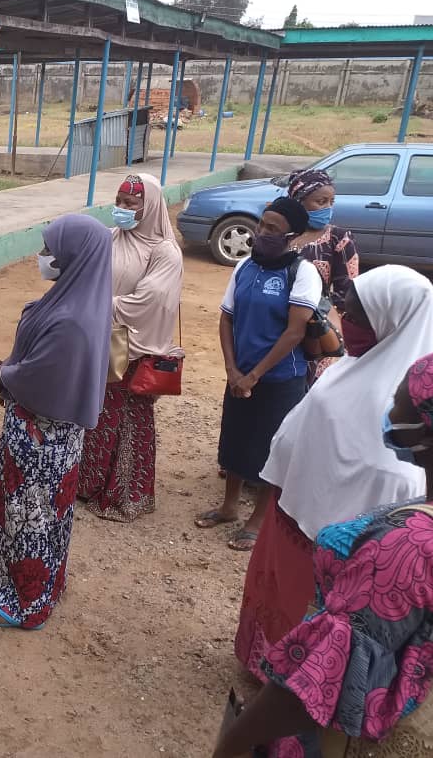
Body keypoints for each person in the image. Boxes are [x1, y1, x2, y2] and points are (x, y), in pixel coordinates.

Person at [212, 353, 433, 758]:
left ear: (426, 429)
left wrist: (235, 740)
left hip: (352, 734)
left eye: (400, 400)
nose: (389, 409)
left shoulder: (409, 546)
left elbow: (327, 674)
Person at [235, 265, 433, 680]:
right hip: (291, 517)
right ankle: (264, 667)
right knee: (277, 604)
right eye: (346, 310)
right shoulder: (349, 368)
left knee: (319, 641)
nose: (346, 324)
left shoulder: (410, 405)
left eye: (359, 317)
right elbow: (295, 434)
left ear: (393, 322)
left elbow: (399, 482)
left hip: (344, 553)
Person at [0, 214, 112, 630]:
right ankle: (36, 583)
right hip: (40, 436)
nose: (42, 256)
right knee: (35, 512)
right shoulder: (72, 301)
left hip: (43, 440)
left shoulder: (72, 322)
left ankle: (26, 604)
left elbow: (39, 380)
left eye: (50, 250)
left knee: (31, 515)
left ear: (73, 257)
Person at [196, 197, 321, 551]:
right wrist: (233, 369)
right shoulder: (245, 267)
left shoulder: (302, 273)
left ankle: (259, 518)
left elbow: (295, 332)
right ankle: (229, 506)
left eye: (272, 228)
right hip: (239, 373)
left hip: (281, 378)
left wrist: (254, 375)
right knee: (234, 438)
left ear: (292, 236)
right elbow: (226, 317)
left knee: (270, 447)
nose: (261, 232)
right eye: (262, 224)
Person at [78, 174, 183, 523]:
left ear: (149, 206)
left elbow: (151, 301)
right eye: (119, 202)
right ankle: (88, 482)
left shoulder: (164, 251)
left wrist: (96, 304)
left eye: (131, 204)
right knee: (96, 412)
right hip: (99, 339)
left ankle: (125, 492)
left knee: (127, 414)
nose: (121, 209)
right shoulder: (110, 238)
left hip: (134, 347)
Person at [286, 168, 361, 379]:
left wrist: (325, 327)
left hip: (318, 333)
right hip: (278, 331)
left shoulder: (338, 239)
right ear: (298, 201)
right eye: (321, 202)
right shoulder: (281, 235)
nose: (327, 208)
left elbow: (347, 292)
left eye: (331, 202)